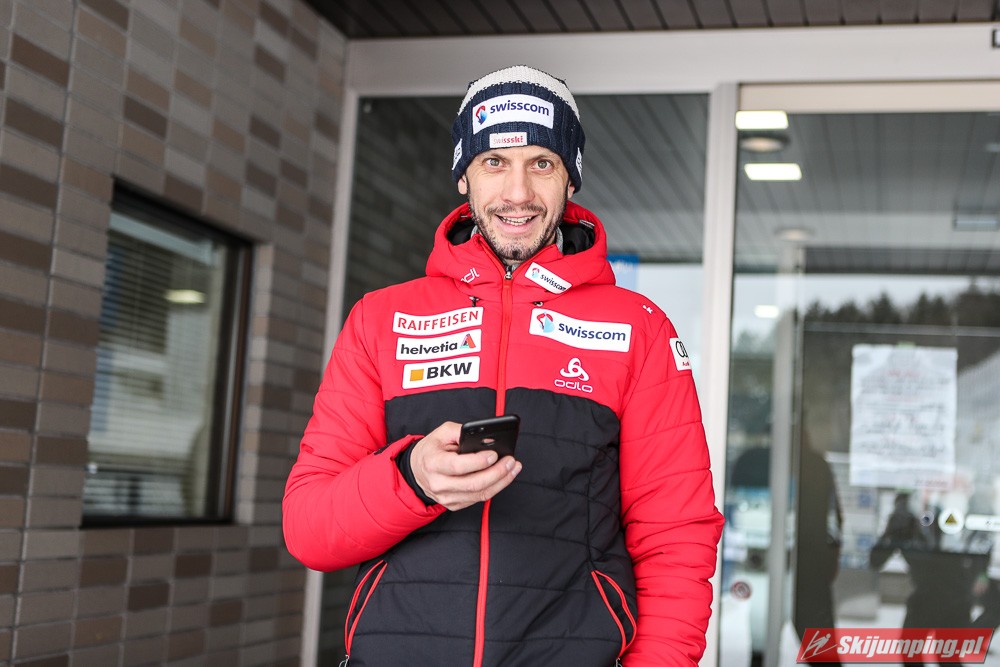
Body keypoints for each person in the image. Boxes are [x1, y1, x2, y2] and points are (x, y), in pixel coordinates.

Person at [282, 65, 724, 666]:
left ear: (570, 177)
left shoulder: (638, 328)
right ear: (463, 174)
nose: (518, 193)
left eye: (541, 163)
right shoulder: (380, 320)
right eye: (495, 162)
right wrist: (410, 478)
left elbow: (677, 534)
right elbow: (309, 530)